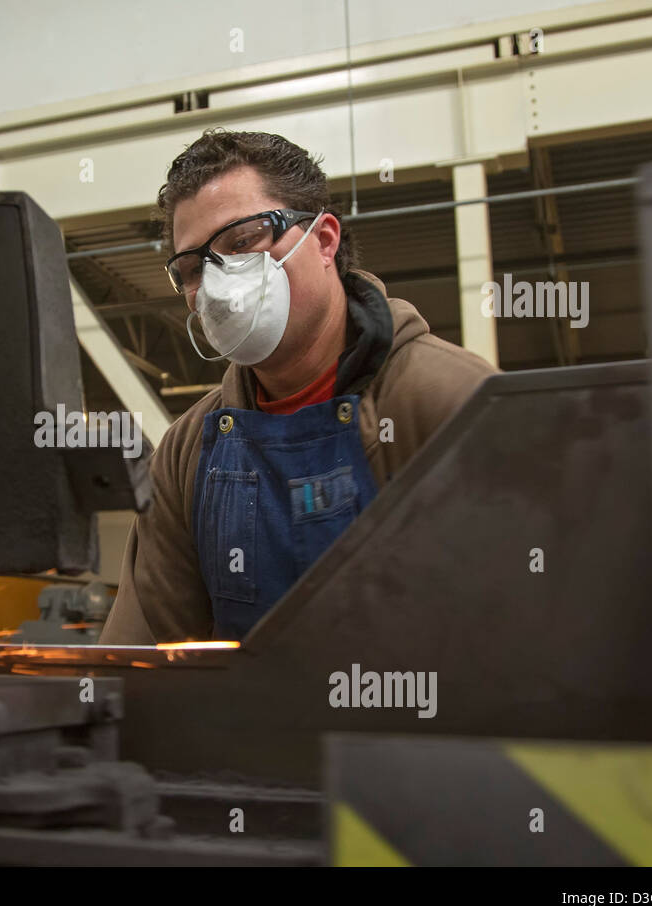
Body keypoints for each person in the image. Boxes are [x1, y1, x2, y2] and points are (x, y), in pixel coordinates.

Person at [99, 129, 495, 643]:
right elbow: (145, 660)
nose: (217, 283)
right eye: (194, 268)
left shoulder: (453, 403)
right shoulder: (187, 453)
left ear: (324, 240)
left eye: (242, 241)